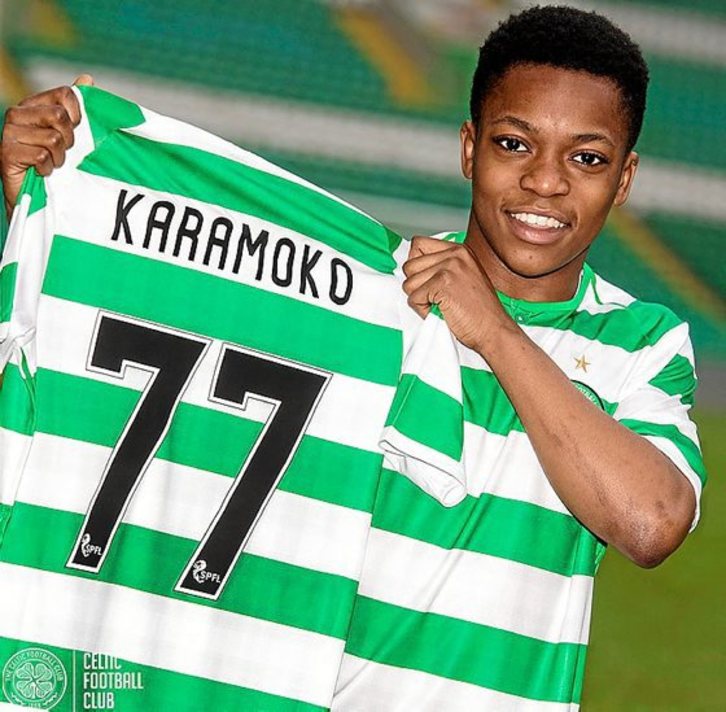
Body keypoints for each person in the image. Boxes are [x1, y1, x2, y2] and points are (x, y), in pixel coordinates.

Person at [0, 5, 705, 709]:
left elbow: (650, 523)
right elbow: (143, 370)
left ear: (625, 177)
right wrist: (59, 213)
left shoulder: (643, 343)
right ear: (469, 149)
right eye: (514, 144)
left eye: (587, 158)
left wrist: (496, 333)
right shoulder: (365, 301)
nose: (545, 182)